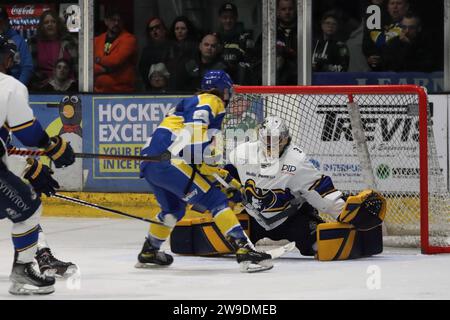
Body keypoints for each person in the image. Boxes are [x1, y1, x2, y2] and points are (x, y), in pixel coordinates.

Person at [136, 70, 274, 273]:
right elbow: (195, 151)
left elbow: (198, 160)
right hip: (171, 162)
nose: (228, 96)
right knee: (215, 200)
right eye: (228, 91)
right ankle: (245, 251)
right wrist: (225, 183)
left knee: (173, 210)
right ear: (222, 90)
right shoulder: (212, 100)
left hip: (150, 164)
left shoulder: (186, 104)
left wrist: (227, 181)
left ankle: (150, 251)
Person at [226, 115, 386, 259]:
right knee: (225, 244)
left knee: (320, 248)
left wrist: (345, 211)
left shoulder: (297, 160)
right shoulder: (243, 153)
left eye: (277, 140)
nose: (272, 145)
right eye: (267, 139)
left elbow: (320, 191)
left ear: (286, 138)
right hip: (254, 220)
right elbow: (226, 177)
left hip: (293, 220)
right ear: (260, 138)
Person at [0, 35, 76, 295]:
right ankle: (23, 270)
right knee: (29, 209)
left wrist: (27, 166)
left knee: (18, 204)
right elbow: (28, 131)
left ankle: (38, 254)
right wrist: (52, 147)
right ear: (8, 59)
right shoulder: (8, 85)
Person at [29, 9, 78, 90]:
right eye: (46, 22)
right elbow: (33, 69)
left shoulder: (69, 41)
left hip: (68, 86)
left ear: (58, 24)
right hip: (43, 86)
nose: (50, 24)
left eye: (53, 22)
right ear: (42, 26)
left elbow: (76, 68)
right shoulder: (34, 42)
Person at [94, 7, 137, 93]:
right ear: (106, 21)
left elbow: (116, 60)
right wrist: (106, 69)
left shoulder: (129, 39)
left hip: (122, 92)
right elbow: (89, 67)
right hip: (98, 92)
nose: (116, 23)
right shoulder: (97, 40)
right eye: (113, 20)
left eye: (119, 20)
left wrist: (98, 59)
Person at [362, 0, 409, 71]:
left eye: (399, 3)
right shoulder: (381, 27)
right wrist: (372, 60)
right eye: (392, 3)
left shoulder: (412, 26)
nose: (395, 7)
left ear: (406, 7)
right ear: (387, 7)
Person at [216, 2, 255, 84]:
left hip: (240, 84)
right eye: (225, 17)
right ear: (219, 18)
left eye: (231, 17)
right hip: (219, 83)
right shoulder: (215, 38)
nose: (228, 20)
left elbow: (250, 62)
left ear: (236, 18)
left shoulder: (245, 38)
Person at [0, 6, 34, 86]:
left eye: (1, 22)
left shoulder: (19, 41)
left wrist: (18, 87)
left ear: (7, 21)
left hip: (13, 85)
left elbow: (27, 68)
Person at [165, 16, 199, 91]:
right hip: (171, 88)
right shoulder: (169, 48)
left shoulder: (195, 47)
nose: (179, 31)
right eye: (177, 29)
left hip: (189, 88)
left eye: (183, 28)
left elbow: (195, 71)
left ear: (188, 30)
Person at [138, 17, 171, 91]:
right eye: (151, 29)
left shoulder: (173, 48)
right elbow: (143, 71)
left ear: (164, 30)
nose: (154, 31)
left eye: (157, 27)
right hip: (151, 90)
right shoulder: (146, 51)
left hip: (172, 89)